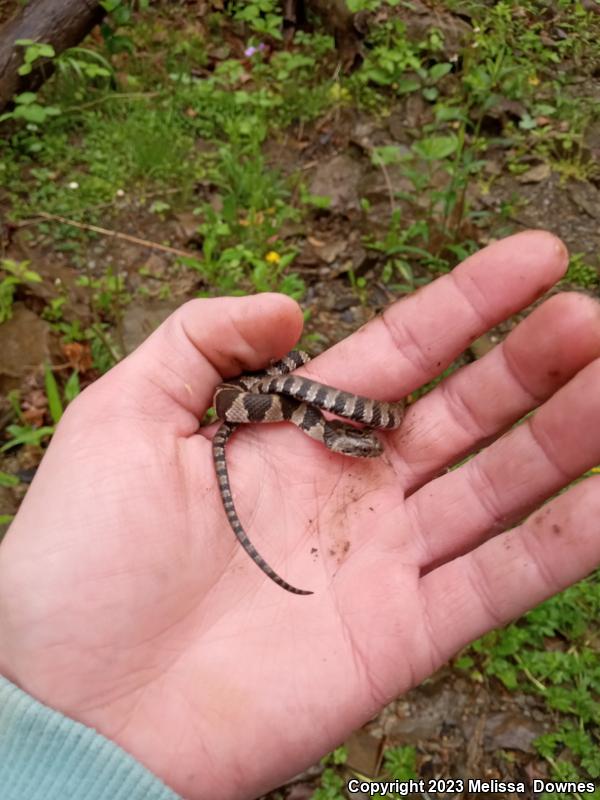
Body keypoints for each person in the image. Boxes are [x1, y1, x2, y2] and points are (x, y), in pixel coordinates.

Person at [0, 230, 598, 800]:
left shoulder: (306, 411)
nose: (365, 449)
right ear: (340, 439)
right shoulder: (302, 416)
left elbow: (320, 412)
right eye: (359, 444)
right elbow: (260, 406)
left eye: (362, 444)